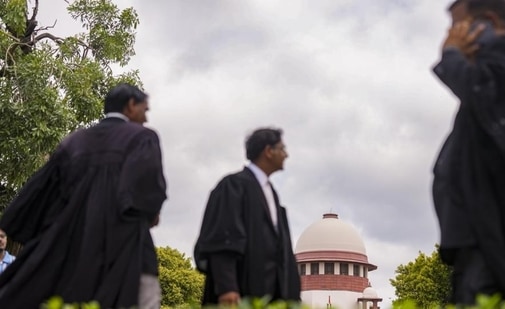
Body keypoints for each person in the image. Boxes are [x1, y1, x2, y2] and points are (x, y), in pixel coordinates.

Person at [0, 83, 167, 308]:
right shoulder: (142, 138)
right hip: (124, 248)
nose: (146, 118)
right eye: (145, 110)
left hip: (69, 251)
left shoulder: (73, 142)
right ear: (130, 105)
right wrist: (151, 215)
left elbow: (36, 199)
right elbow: (148, 192)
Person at [432, 0, 505, 307]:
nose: (451, 38)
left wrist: (453, 57)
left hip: (503, 232)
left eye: (458, 27)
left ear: (487, 21)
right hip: (476, 238)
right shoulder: (482, 90)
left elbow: (496, 116)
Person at [194, 127, 301, 306]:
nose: (286, 154)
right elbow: (223, 238)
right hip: (240, 293)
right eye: (282, 148)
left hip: (271, 295)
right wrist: (227, 286)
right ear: (268, 151)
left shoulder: (271, 195)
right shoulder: (233, 186)